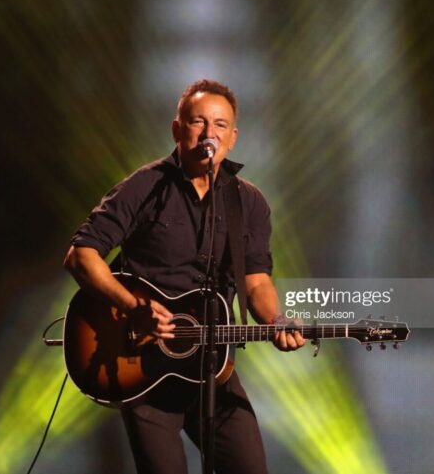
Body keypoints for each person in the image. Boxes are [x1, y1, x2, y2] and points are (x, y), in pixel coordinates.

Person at [64, 79, 305, 474]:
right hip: (141, 363)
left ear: (233, 137)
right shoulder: (144, 187)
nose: (209, 133)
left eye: (221, 125)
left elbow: (257, 282)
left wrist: (276, 321)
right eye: (198, 122)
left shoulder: (250, 203)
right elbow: (80, 255)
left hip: (213, 366)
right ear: (178, 129)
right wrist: (133, 306)